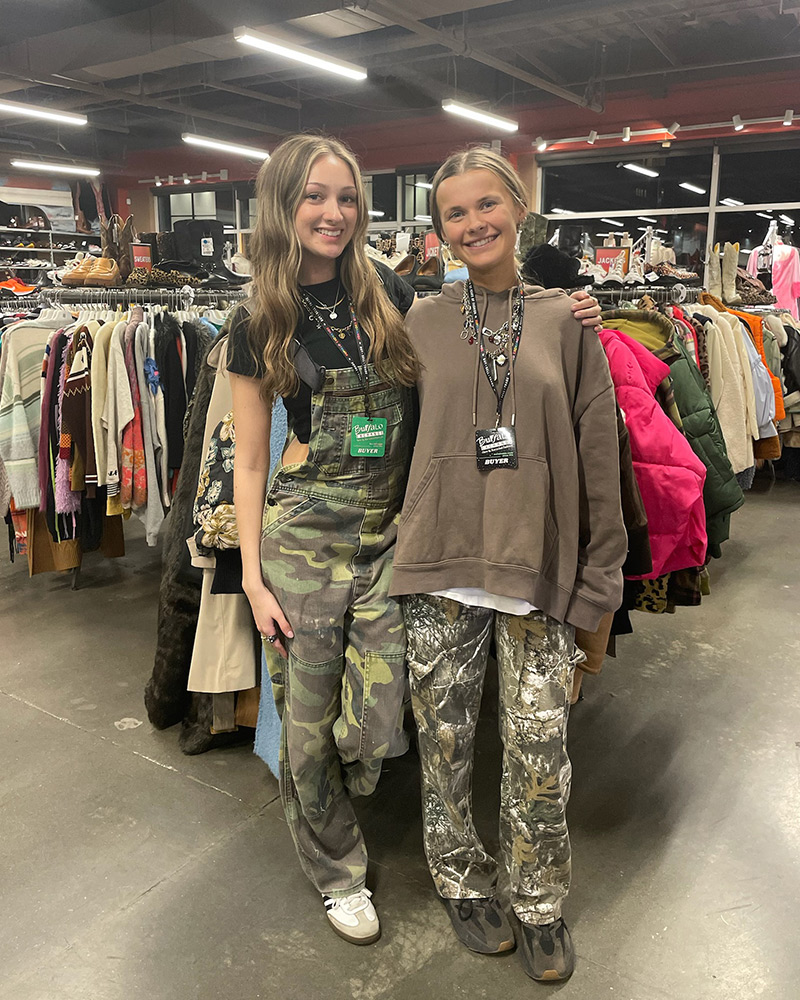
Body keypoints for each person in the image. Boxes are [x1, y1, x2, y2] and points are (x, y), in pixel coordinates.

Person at [228, 133, 605, 946]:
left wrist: (572, 307)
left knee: (378, 720)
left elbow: (496, 316)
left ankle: (503, 883)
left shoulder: (391, 294)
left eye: (346, 197)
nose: (333, 213)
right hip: (305, 544)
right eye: (314, 197)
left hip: (395, 540)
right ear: (282, 207)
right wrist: (253, 578)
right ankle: (337, 874)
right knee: (306, 722)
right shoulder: (257, 319)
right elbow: (251, 462)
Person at [390, 148, 627, 982]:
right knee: (446, 744)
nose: (473, 223)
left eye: (487, 204)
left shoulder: (569, 322)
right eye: (455, 213)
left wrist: (602, 578)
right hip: (438, 566)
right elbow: (382, 433)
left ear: (518, 208)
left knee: (538, 747)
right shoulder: (418, 319)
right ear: (441, 230)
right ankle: (461, 879)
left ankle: (539, 900)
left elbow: (602, 452)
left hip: (538, 569)